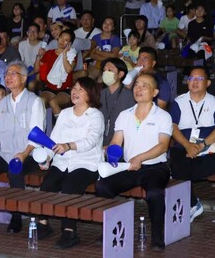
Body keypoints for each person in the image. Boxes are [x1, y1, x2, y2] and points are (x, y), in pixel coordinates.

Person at [95, 72, 172, 251]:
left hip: (155, 167)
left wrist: (140, 158)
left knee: (154, 194)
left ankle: (158, 238)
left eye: (145, 86)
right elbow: (116, 141)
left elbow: (162, 146)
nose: (139, 89)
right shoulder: (125, 114)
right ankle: (110, 228)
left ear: (155, 92)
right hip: (130, 166)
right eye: (137, 85)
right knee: (103, 186)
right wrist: (112, 154)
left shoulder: (162, 116)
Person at [0, 61, 46, 233]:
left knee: (15, 168)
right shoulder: (2, 103)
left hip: (29, 155)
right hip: (5, 154)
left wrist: (24, 153)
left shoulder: (34, 102)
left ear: (24, 78)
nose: (8, 77)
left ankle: (17, 216)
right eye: (7, 74)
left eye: (13, 73)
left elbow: (37, 135)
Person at [36, 77, 104, 248]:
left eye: (81, 89)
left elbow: (91, 141)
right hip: (62, 161)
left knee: (70, 187)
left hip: (86, 163)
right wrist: (46, 158)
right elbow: (53, 140)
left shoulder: (95, 115)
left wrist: (69, 146)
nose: (75, 92)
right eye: (74, 88)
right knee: (47, 184)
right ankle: (43, 225)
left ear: (91, 94)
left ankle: (69, 232)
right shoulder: (65, 113)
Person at [169, 66, 215, 222]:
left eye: (199, 79)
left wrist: (200, 145)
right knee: (179, 166)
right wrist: (188, 145)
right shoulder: (178, 102)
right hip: (182, 148)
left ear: (207, 83)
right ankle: (193, 204)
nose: (194, 82)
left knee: (185, 170)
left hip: (207, 151)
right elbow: (173, 127)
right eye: (191, 78)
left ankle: (188, 205)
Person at [36, 29, 76, 116]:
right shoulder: (49, 53)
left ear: (70, 43)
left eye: (66, 40)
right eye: (61, 37)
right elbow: (37, 69)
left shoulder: (71, 54)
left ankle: (61, 127)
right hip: (49, 87)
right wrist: (39, 56)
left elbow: (68, 69)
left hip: (65, 89)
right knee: (40, 102)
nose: (62, 41)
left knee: (53, 102)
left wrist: (64, 55)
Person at [99, 58, 135, 146]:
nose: (106, 73)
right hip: (99, 143)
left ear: (120, 74)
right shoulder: (100, 94)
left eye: (110, 70)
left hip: (121, 144)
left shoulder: (129, 96)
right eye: (104, 70)